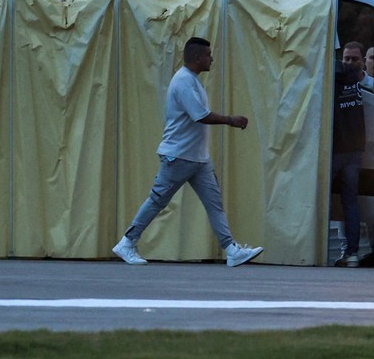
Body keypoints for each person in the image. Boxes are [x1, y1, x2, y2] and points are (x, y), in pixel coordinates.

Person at [112, 36, 263, 268]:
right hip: (178, 157)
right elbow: (200, 115)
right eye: (209, 55)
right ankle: (127, 242)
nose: (212, 59)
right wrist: (231, 120)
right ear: (197, 58)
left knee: (214, 204)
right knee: (157, 201)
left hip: (198, 159)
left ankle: (232, 250)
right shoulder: (183, 81)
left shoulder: (192, 80)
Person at [332, 42, 368, 267]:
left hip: (338, 150)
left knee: (322, 198)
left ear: (362, 60)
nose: (349, 63)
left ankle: (350, 251)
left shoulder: (333, 79)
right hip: (354, 149)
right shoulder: (359, 82)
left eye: (354, 59)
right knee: (350, 202)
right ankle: (352, 252)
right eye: (346, 59)